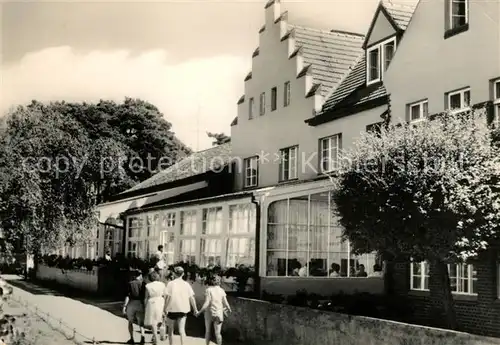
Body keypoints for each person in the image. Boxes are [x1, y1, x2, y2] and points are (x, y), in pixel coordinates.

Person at [164, 266, 199, 345]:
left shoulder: (170, 284)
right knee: (182, 330)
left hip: (172, 309)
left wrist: (164, 308)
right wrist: (195, 309)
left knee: (170, 330)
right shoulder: (186, 284)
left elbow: (167, 297)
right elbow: (191, 298)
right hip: (183, 309)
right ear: (183, 274)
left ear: (174, 274)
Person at [196, 275, 231, 345]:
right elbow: (226, 303)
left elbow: (206, 303)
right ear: (219, 282)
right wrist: (229, 309)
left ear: (211, 281)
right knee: (218, 333)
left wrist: (199, 312)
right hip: (219, 313)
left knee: (208, 331)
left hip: (209, 313)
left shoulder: (208, 290)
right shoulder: (222, 290)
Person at [122, 269, 146, 345]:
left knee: (130, 321)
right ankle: (142, 337)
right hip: (140, 303)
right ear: (141, 275)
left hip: (132, 303)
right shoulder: (143, 284)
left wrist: (124, 306)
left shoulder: (130, 283)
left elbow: (127, 296)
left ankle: (132, 339)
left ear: (134, 275)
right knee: (141, 323)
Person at [144, 271, 166, 345]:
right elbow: (165, 295)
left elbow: (146, 297)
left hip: (152, 301)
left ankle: (155, 338)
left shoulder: (148, 285)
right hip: (160, 301)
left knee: (153, 321)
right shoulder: (162, 284)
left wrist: (145, 305)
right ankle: (159, 335)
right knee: (160, 319)